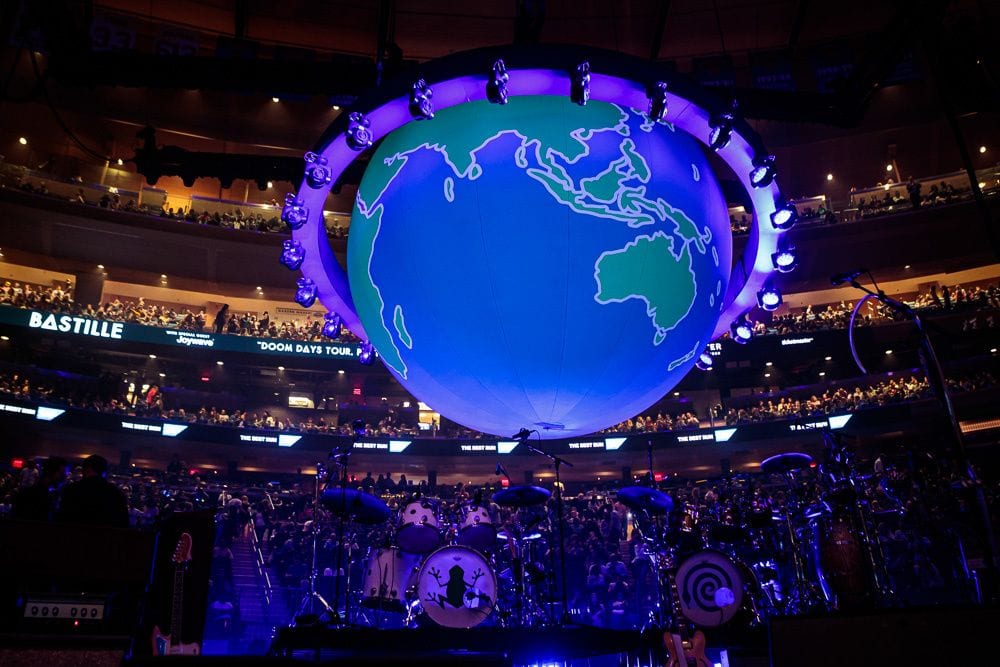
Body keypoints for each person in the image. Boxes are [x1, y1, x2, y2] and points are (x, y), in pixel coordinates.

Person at [57, 455, 129, 527]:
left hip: (74, 532)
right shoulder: (116, 493)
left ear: (86, 469)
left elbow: (62, 517)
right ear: (104, 471)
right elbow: (123, 522)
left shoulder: (71, 489)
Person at [12, 456, 68, 521]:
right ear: (49, 472)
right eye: (61, 473)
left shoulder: (46, 491)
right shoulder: (37, 494)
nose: (64, 476)